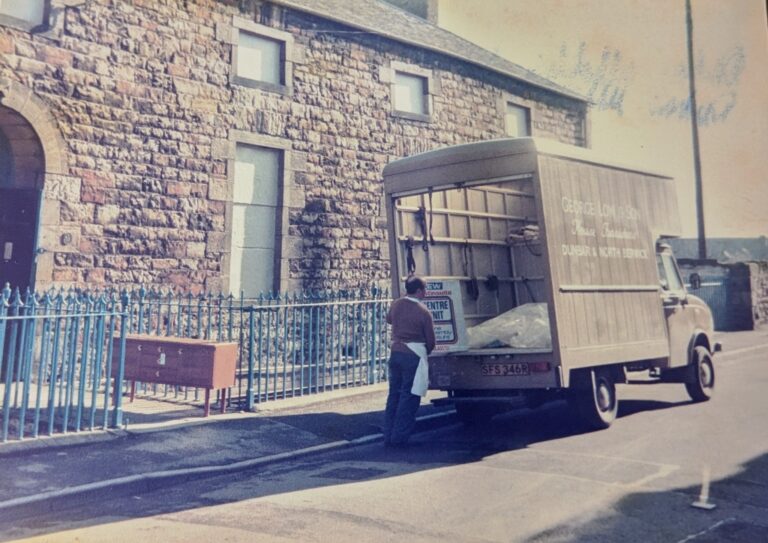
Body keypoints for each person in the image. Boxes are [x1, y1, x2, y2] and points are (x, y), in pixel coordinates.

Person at [383, 275, 436, 447]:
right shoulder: (423, 312)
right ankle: (399, 437)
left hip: (396, 353)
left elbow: (389, 319)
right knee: (409, 397)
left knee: (394, 395)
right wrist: (424, 352)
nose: (426, 293)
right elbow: (431, 342)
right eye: (425, 289)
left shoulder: (396, 304)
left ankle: (388, 435)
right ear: (419, 291)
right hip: (413, 355)